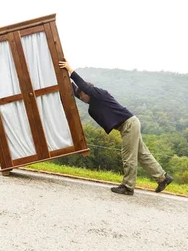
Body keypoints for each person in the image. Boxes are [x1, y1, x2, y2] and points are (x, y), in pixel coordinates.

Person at [59, 60, 173, 195]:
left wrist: (70, 69)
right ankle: (163, 178)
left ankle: (128, 186)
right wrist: (61, 74)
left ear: (87, 92)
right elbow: (76, 90)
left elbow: (83, 86)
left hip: (128, 125)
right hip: (129, 124)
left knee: (128, 156)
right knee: (142, 154)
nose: (81, 97)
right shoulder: (92, 101)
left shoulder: (99, 93)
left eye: (82, 94)